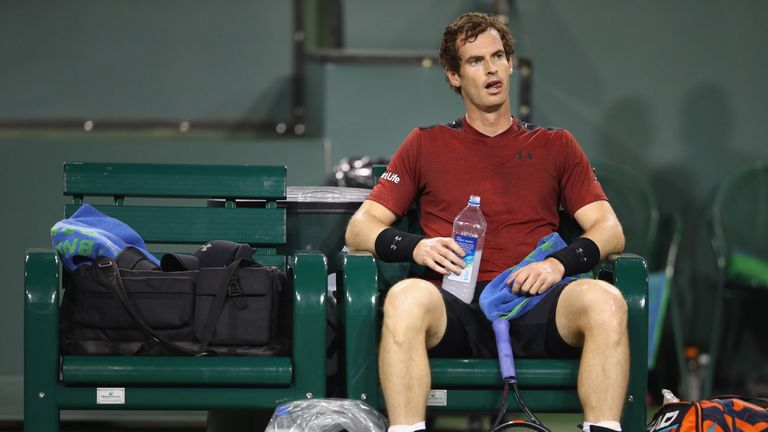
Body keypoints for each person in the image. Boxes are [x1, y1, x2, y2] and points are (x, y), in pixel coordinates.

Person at [345, 12, 628, 432]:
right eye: (476, 61)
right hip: (455, 308)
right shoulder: (425, 143)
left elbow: (610, 231)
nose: (492, 68)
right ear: (454, 76)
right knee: (404, 298)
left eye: (498, 56)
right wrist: (417, 246)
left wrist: (556, 266)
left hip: (535, 303)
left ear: (511, 64)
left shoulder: (556, 145)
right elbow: (360, 227)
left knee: (607, 302)